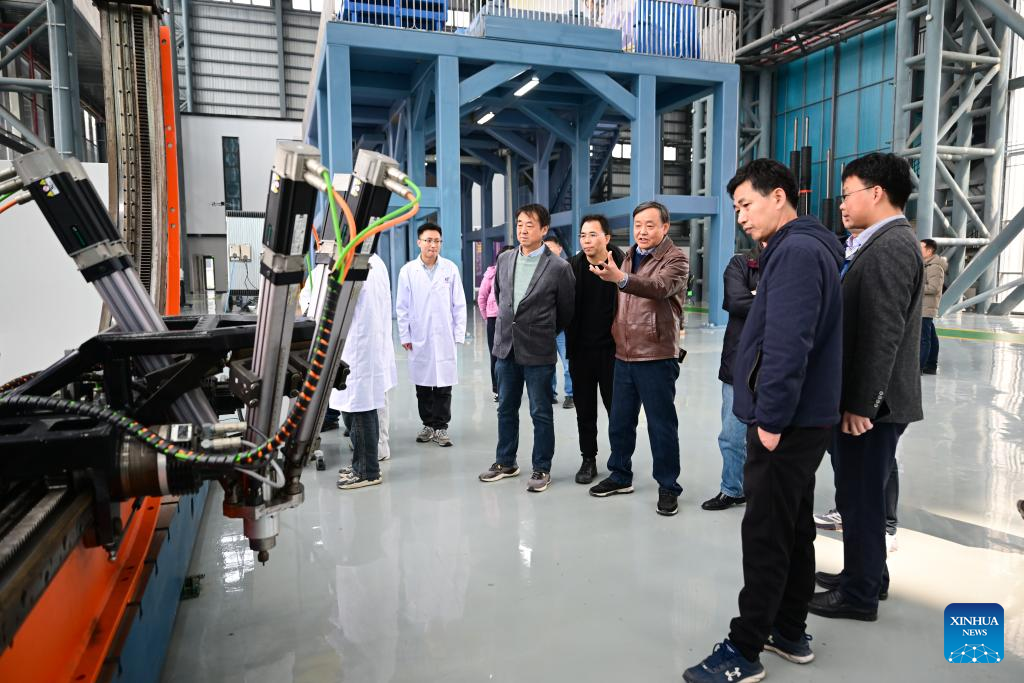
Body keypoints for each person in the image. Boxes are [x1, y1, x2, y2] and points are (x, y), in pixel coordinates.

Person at [684, 159, 843, 682]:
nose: (742, 217)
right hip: (804, 417)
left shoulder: (795, 252)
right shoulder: (805, 246)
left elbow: (787, 343)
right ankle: (789, 631)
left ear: (779, 196)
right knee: (793, 527)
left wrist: (770, 418)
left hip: (786, 421)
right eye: (736, 209)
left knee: (766, 534)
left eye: (746, 205)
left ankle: (744, 649)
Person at [808, 152, 923, 622]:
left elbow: (883, 332)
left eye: (847, 193)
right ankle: (869, 576)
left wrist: (862, 404)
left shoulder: (891, 245)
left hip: (873, 406)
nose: (841, 203)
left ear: (876, 193)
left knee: (860, 497)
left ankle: (859, 596)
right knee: (857, 494)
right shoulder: (874, 241)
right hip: (867, 400)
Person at [587, 201, 689, 517]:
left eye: (649, 225)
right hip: (625, 354)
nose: (642, 231)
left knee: (661, 426)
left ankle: (668, 486)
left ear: (665, 227)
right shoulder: (630, 255)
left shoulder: (676, 259)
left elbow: (658, 287)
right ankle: (620, 475)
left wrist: (621, 278)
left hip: (656, 354)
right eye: (637, 225)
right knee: (620, 421)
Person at [479, 204, 574, 493]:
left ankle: (541, 467)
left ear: (544, 230)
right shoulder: (505, 258)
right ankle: (505, 461)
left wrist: (542, 332)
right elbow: (501, 296)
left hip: (538, 350)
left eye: (530, 224)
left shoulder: (558, 267)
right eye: (520, 223)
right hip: (506, 348)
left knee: (540, 411)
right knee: (505, 408)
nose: (523, 229)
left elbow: (566, 311)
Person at [395, 222, 467, 448]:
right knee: (423, 385)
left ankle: (441, 427)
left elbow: (459, 304)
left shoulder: (450, 269)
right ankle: (428, 425)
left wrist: (458, 333)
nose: (432, 245)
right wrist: (405, 335)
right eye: (428, 240)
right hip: (419, 335)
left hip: (444, 335)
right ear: (419, 242)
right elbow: (402, 307)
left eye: (437, 241)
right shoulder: (408, 271)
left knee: (444, 385)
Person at [702, 243, 761, 511]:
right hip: (739, 363)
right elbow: (736, 302)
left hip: (778, 363)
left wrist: (756, 296)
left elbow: (798, 303)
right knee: (732, 434)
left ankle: (766, 491)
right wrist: (773, 298)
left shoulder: (790, 261)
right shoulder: (740, 263)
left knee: (774, 436)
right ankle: (732, 489)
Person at [565, 214, 624, 485]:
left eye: (592, 235)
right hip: (581, 351)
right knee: (585, 410)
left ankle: (620, 460)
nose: (586, 240)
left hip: (614, 352)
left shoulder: (622, 263)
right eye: (582, 235)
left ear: (607, 238)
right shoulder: (572, 267)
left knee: (617, 410)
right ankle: (588, 459)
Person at [334, 253, 398, 489]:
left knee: (360, 408)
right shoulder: (375, 261)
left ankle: (367, 471)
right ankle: (361, 464)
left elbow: (341, 304)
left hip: (359, 348)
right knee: (361, 407)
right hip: (364, 346)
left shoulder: (357, 262)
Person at [478, 246, 515, 402]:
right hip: (494, 319)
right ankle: (498, 389)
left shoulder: (518, 273)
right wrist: (488, 318)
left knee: (513, 354)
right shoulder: (490, 275)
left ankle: (512, 387)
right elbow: (482, 298)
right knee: (496, 355)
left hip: (514, 320)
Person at [543, 233, 574, 409]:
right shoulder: (541, 269)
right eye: (544, 247)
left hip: (563, 328)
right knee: (548, 363)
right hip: (546, 326)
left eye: (550, 247)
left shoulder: (567, 268)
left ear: (559, 248)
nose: (547, 250)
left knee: (568, 363)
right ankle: (551, 393)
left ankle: (570, 394)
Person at [920, 238, 947, 375]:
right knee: (930, 336)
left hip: (926, 306)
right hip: (924, 306)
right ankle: (931, 365)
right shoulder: (927, 265)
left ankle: (919, 367)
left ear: (929, 250)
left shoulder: (934, 267)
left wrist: (915, 286)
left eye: (921, 247)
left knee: (923, 339)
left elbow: (934, 288)